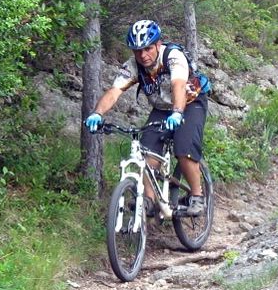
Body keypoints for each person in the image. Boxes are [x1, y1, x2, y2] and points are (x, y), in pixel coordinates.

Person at [84, 19, 209, 216]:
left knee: (184, 148)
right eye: (137, 50)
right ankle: (149, 201)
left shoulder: (173, 57)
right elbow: (115, 91)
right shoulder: (133, 66)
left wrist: (177, 112)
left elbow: (177, 85)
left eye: (148, 48)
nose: (143, 55)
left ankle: (197, 196)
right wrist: (97, 113)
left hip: (190, 102)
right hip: (162, 108)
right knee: (146, 152)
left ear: (158, 44)